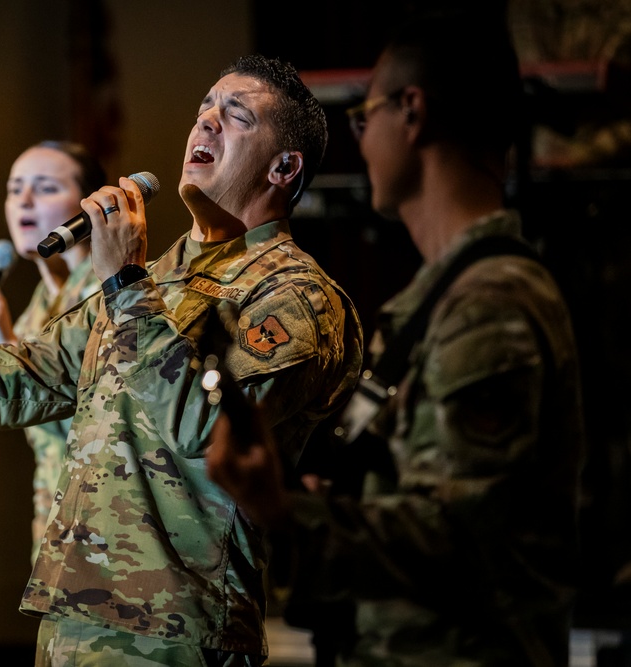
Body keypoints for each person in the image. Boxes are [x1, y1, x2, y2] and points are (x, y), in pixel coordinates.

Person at [0, 53, 362, 666]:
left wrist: (124, 284)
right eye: (203, 109)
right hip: (74, 620)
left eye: (235, 117)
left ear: (285, 167)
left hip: (177, 631)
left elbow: (206, 431)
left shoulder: (296, 294)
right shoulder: (157, 280)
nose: (204, 124)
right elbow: (15, 379)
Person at [205, 10, 586, 667]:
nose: (361, 136)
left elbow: (459, 539)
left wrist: (286, 510)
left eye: (364, 113)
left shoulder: (488, 305)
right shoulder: (443, 298)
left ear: (412, 112)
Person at [0, 139, 107, 563]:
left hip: (107, 519)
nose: (24, 200)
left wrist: (3, 338)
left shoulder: (109, 290)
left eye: (45, 187)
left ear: (88, 205)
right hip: (53, 511)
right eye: (14, 187)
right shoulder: (40, 300)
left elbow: (79, 409)